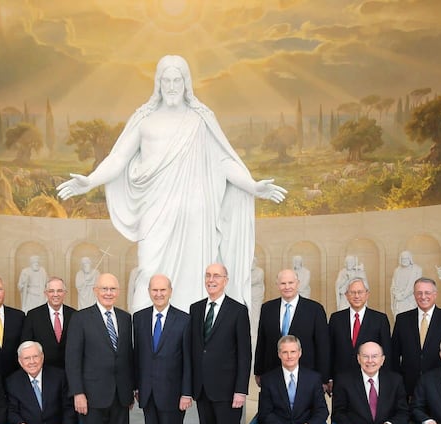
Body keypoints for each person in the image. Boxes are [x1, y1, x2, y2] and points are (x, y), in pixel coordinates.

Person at [57, 55, 286, 312]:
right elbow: (118, 157)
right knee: (149, 270)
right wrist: (89, 181)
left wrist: (252, 186)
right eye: (167, 80)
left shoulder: (200, 119)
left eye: (178, 80)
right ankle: (145, 336)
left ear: (186, 83)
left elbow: (223, 161)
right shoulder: (144, 119)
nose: (172, 86)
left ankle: (194, 335)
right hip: (155, 211)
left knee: (197, 274)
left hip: (196, 214)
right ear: (158, 83)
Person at [65, 272, 135, 424]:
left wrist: (131, 389)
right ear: (95, 290)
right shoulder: (81, 318)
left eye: (112, 289)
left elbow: (128, 358)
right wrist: (78, 393)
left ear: (118, 292)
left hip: (121, 395)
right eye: (104, 288)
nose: (108, 293)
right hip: (91, 397)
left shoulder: (126, 319)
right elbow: (72, 359)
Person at [189, 263, 251, 424]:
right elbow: (195, 350)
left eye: (216, 276)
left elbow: (244, 354)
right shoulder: (195, 309)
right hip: (203, 390)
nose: (211, 280)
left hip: (228, 393)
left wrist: (240, 390)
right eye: (208, 275)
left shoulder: (238, 311)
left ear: (226, 280)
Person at [133, 274, 192, 424]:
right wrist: (136, 386)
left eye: (162, 290)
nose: (158, 294)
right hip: (147, 393)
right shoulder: (139, 318)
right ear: (149, 291)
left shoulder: (184, 320)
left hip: (173, 394)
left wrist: (186, 393)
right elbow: (136, 357)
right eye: (154, 290)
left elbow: (189, 361)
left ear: (170, 291)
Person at [21, 276, 76, 424]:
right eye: (51, 291)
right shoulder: (33, 316)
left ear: (65, 292)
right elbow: (26, 346)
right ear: (45, 293)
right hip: (42, 380)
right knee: (45, 421)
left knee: (68, 420)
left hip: (70, 379)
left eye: (59, 291)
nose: (55, 294)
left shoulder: (75, 315)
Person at [254, 269, 329, 389]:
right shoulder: (267, 308)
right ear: (277, 285)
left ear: (298, 283)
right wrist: (258, 371)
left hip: (306, 375)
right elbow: (262, 341)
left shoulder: (315, 309)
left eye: (291, 283)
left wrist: (324, 378)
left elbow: (323, 346)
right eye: (283, 283)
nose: (287, 287)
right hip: (272, 373)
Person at [392, 277, 441, 398]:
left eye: (427, 293)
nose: (423, 296)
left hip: (439, 386)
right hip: (408, 387)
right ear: (414, 295)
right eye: (419, 293)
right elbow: (393, 354)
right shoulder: (402, 319)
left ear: (435, 295)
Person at [329, 277, 392, 384]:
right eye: (352, 292)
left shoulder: (380, 319)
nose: (356, 296)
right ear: (346, 295)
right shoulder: (336, 318)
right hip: (341, 378)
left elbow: (387, 351)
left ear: (367, 294)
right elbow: (330, 349)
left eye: (360, 292)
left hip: (370, 378)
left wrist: (385, 378)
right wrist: (329, 377)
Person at [390, 251, 422, 318]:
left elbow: (416, 286)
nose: (404, 260)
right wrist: (396, 294)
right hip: (398, 300)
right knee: (399, 319)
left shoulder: (416, 270)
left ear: (410, 259)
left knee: (410, 319)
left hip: (410, 300)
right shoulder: (397, 270)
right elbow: (393, 285)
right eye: (402, 259)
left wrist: (403, 296)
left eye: (406, 258)